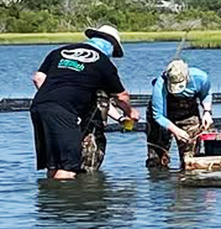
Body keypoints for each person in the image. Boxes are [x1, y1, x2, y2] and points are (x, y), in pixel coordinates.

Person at [30, 24, 141, 179]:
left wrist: (54, 96)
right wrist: (130, 112)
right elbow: (121, 96)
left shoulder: (59, 51)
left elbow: (38, 77)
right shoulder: (104, 63)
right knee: (68, 166)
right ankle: (64, 202)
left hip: (39, 106)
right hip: (63, 111)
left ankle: (51, 202)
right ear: (110, 45)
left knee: (54, 164)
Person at [146, 58, 214, 169]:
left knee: (190, 156)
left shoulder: (201, 78)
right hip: (164, 114)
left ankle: (187, 182)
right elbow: (158, 115)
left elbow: (206, 94)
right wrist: (175, 130)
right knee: (157, 158)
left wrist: (207, 112)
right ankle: (159, 182)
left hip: (189, 114)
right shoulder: (160, 84)